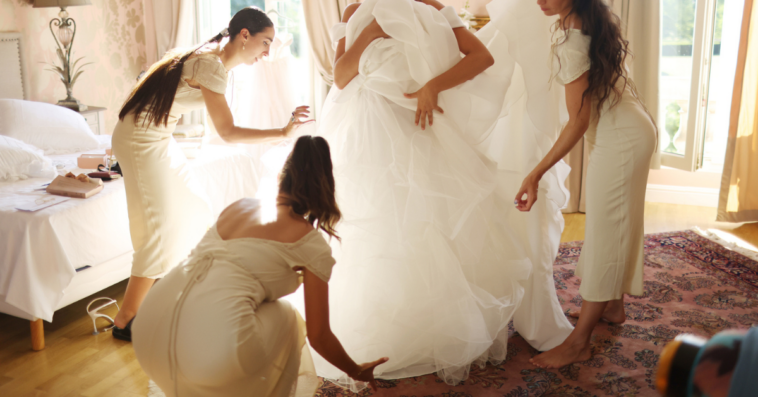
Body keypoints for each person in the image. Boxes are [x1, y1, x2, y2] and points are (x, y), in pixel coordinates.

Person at [313, 0, 573, 387]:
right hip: (368, 135)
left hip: (416, 126)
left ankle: (438, 332)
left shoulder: (432, 7)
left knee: (428, 228)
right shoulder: (353, 12)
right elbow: (340, 78)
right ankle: (386, 331)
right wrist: (369, 33)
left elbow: (481, 57)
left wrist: (433, 86)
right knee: (378, 230)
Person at [110, 6, 311, 341]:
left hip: (157, 135)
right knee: (159, 226)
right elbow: (228, 132)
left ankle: (183, 297)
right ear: (244, 35)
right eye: (265, 42)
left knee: (196, 207)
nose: (267, 51)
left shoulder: (214, 60)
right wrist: (282, 131)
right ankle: (125, 319)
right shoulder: (212, 65)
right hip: (140, 139)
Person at [132, 136, 388, 396]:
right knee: (287, 315)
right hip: (210, 351)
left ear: (281, 176)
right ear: (324, 190)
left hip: (147, 329)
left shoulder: (238, 206)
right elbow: (319, 335)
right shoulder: (311, 244)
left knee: (235, 301)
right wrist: (355, 370)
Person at [513, 0, 657, 368]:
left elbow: (578, 122)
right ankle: (612, 307)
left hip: (621, 137)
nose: (540, 0)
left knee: (608, 232)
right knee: (614, 225)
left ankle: (579, 343)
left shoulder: (573, 41)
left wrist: (535, 172)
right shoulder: (584, 22)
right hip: (628, 129)